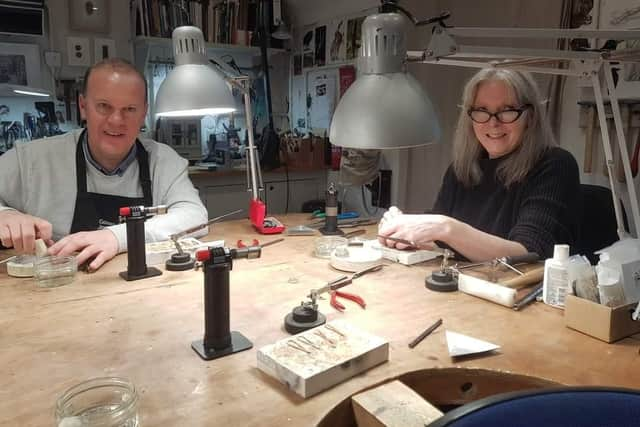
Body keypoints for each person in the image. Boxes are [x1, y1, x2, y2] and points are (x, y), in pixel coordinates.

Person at [0, 58, 208, 270]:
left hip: (138, 291)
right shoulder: (30, 160)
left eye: (129, 109)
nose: (116, 120)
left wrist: (116, 237)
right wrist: (5, 215)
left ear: (144, 113)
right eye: (104, 106)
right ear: (83, 107)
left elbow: (195, 216)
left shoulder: (163, 161)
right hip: (52, 290)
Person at [378, 68, 581, 261]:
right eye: (482, 111)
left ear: (530, 116)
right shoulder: (461, 170)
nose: (493, 123)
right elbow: (440, 244)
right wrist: (405, 229)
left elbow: (528, 254)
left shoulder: (555, 165)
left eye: (507, 111)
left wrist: (445, 227)